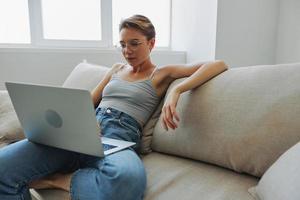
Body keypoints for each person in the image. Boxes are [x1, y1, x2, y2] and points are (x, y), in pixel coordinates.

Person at [0, 15, 228, 200]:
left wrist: (177, 91)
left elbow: (218, 64)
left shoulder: (161, 74)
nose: (127, 51)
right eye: (123, 44)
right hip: (81, 133)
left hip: (118, 139)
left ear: (151, 43)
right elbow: (88, 102)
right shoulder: (116, 69)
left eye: (135, 43)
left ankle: (57, 180)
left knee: (128, 179)